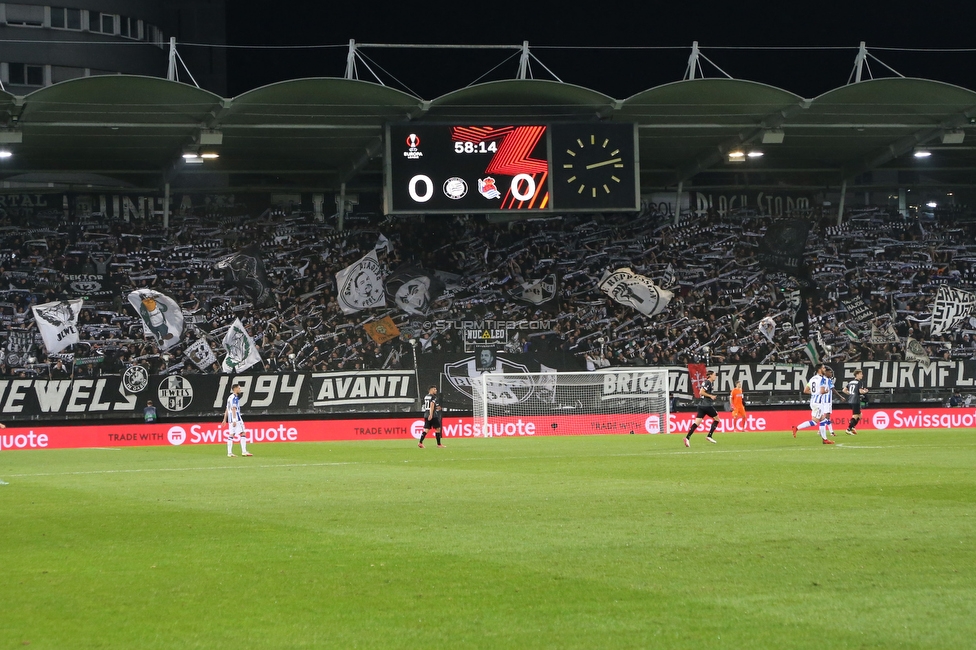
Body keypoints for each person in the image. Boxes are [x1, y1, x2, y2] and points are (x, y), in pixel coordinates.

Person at [792, 363, 833, 444]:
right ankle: (824, 440)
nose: (825, 369)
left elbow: (805, 390)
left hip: (813, 401)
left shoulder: (812, 379)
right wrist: (826, 391)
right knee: (818, 421)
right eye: (823, 368)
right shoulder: (823, 379)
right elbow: (822, 391)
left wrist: (815, 393)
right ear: (819, 369)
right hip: (818, 403)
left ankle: (796, 428)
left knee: (821, 420)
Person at [685, 370, 719, 446]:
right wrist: (711, 396)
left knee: (696, 423)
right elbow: (701, 392)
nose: (715, 376)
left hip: (701, 406)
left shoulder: (708, 383)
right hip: (707, 405)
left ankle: (687, 438)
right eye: (714, 375)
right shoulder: (708, 382)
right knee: (717, 419)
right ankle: (709, 435)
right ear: (710, 375)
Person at [221, 383, 252, 457]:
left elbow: (227, 409)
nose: (240, 389)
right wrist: (235, 420)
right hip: (236, 419)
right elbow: (234, 409)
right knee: (243, 433)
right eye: (239, 388)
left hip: (230, 419)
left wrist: (224, 419)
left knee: (232, 434)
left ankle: (229, 453)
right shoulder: (234, 398)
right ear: (235, 389)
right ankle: (244, 451)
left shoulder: (229, 398)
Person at [843, 368, 869, 434]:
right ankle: (849, 428)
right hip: (855, 400)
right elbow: (860, 391)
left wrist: (850, 393)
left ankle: (853, 427)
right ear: (857, 375)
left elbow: (844, 390)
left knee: (860, 415)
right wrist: (865, 391)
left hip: (850, 400)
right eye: (861, 374)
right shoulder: (859, 382)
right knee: (855, 415)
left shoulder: (851, 382)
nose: (862, 375)